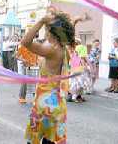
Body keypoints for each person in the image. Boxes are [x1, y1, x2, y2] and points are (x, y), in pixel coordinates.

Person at [22, 11, 75, 144]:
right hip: (56, 101)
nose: (45, 32)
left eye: (46, 29)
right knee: (50, 140)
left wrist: (41, 21)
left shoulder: (51, 49)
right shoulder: (63, 47)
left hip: (45, 102)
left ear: (51, 31)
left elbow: (25, 42)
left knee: (35, 139)